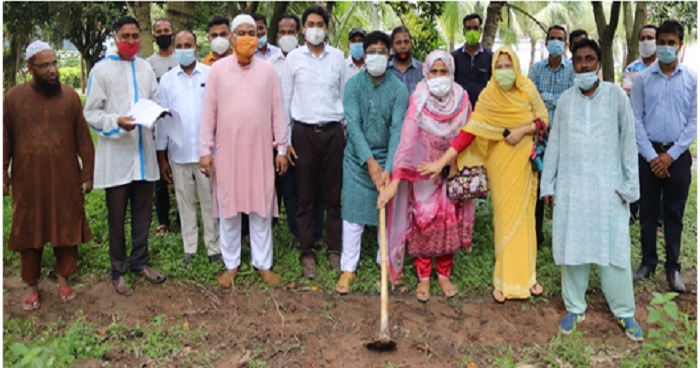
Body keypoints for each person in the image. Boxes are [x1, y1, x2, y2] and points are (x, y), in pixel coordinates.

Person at [418, 46, 548, 303]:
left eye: (507, 66)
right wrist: (442, 161)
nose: (503, 71)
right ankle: (503, 281)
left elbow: (543, 119)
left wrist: (524, 129)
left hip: (523, 160)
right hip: (499, 162)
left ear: (517, 67)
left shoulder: (527, 89)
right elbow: (469, 131)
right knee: (504, 219)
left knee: (525, 220)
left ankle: (529, 278)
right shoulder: (489, 95)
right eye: (498, 67)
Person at [540, 38, 643, 341]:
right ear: (574, 64)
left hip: (608, 187)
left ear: (598, 63)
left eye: (589, 59)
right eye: (579, 60)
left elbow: (628, 143)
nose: (583, 65)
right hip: (573, 187)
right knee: (573, 247)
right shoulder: (567, 100)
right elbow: (555, 144)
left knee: (615, 251)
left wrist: (628, 186)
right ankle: (574, 306)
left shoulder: (616, 97)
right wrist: (549, 183)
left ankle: (625, 311)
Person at [377, 50, 476, 301]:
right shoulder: (419, 99)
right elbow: (408, 140)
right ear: (426, 72)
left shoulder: (462, 99)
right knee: (425, 220)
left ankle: (443, 274)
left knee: (447, 221)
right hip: (423, 173)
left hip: (452, 170)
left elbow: (469, 133)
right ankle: (423, 277)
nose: (439, 77)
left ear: (452, 73)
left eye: (444, 72)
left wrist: (451, 162)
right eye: (434, 71)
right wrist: (397, 178)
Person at [4, 41, 95, 311]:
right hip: (27, 180)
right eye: (46, 65)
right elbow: (4, 140)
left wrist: (87, 172)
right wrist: (3, 175)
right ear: (31, 68)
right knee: (28, 228)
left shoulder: (69, 97)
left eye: (54, 63)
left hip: (65, 177)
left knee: (66, 225)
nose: (53, 70)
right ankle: (31, 284)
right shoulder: (12, 98)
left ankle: (64, 279)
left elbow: (83, 138)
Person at [199, 14, 288, 287]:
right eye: (241, 32)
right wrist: (206, 150)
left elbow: (278, 113)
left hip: (260, 152)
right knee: (229, 208)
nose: (247, 37)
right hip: (227, 153)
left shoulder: (269, 71)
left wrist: (281, 148)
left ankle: (263, 265)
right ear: (232, 37)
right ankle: (231, 265)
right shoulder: (217, 71)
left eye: (252, 31)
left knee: (261, 207)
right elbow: (208, 115)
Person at [84, 16, 166, 297]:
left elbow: (154, 100)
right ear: (115, 37)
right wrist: (116, 121)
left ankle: (139, 262)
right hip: (117, 154)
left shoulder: (145, 68)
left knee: (143, 214)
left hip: (143, 153)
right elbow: (91, 113)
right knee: (116, 216)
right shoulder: (101, 70)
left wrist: (157, 112)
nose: (131, 41)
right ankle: (117, 271)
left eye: (135, 36)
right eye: (125, 36)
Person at [336, 31, 409, 294]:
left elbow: (397, 130)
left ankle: (386, 264)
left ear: (389, 55)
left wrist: (388, 167)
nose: (376, 56)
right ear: (364, 55)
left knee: (386, 215)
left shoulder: (398, 90)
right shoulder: (353, 86)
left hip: (388, 156)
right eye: (371, 51)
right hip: (357, 159)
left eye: (382, 51)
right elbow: (352, 126)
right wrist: (368, 160)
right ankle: (348, 268)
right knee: (353, 215)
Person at [631, 20, 697, 293]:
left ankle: (673, 268)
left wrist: (669, 156)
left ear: (680, 46)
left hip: (678, 157)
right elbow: (636, 120)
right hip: (648, 156)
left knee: (673, 213)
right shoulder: (643, 79)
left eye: (672, 43)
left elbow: (694, 122)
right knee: (647, 213)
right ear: (656, 45)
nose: (666, 47)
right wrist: (652, 156)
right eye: (663, 42)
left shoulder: (693, 79)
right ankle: (647, 263)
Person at [282, 6, 346, 278]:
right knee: (305, 195)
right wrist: (286, 141)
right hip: (304, 134)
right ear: (304, 28)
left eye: (320, 24)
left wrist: (344, 134)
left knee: (333, 196)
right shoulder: (293, 59)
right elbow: (285, 101)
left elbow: (343, 96)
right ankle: (307, 251)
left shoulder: (338, 58)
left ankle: (334, 249)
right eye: (311, 24)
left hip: (333, 132)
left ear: (327, 28)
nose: (316, 28)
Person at [157, 30, 221, 265]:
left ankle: (214, 249)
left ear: (197, 48)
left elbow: (218, 112)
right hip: (179, 152)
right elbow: (163, 120)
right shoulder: (167, 80)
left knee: (209, 202)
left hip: (206, 153)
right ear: (174, 49)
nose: (184, 49)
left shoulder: (211, 74)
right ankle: (190, 249)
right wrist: (162, 156)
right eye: (180, 45)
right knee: (185, 203)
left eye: (189, 45)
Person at [273, 14, 327, 251]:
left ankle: (316, 233)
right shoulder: (279, 62)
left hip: (317, 133)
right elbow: (283, 103)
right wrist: (283, 143)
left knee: (316, 187)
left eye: (291, 31)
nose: (287, 36)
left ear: (299, 33)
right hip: (290, 135)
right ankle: (298, 233)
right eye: (282, 32)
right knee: (293, 189)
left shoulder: (324, 59)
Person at [528, 25, 575, 247]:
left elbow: (574, 103)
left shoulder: (573, 71)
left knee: (563, 189)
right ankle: (536, 236)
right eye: (552, 38)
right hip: (540, 139)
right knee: (537, 188)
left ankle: (561, 238)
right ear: (546, 43)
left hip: (566, 138)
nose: (556, 42)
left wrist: (546, 100)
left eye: (560, 39)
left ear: (565, 44)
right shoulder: (536, 70)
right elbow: (528, 101)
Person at [623, 25, 659, 225]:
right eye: (643, 38)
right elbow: (627, 92)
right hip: (635, 130)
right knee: (636, 170)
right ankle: (632, 211)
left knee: (657, 173)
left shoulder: (664, 68)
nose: (646, 42)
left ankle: (657, 218)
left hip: (658, 132)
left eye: (650, 37)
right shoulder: (631, 68)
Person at [147, 18, 178, 237]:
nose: (163, 33)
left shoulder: (182, 59)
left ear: (173, 33)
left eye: (167, 30)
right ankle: (163, 221)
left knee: (184, 174)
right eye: (159, 31)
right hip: (157, 126)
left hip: (180, 127)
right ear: (154, 36)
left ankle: (185, 217)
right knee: (160, 177)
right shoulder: (148, 64)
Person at [452, 13, 493, 109]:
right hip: (460, 109)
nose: (472, 31)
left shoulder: (490, 57)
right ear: (464, 31)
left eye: (475, 28)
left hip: (483, 110)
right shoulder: (454, 57)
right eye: (468, 28)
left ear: (480, 30)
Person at [388, 27, 424, 95]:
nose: (403, 46)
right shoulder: (386, 71)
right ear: (392, 47)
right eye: (398, 43)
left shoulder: (422, 69)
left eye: (406, 42)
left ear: (411, 44)